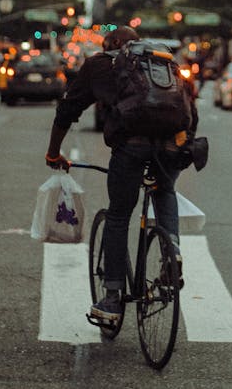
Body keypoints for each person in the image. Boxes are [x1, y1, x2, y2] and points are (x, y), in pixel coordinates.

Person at [44, 25, 197, 326]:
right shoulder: (161, 62)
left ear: (113, 43)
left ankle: (112, 298)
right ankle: (172, 252)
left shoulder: (101, 63)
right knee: (164, 191)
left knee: (118, 216)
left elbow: (68, 110)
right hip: (171, 145)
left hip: (132, 146)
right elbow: (188, 106)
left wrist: (53, 152)